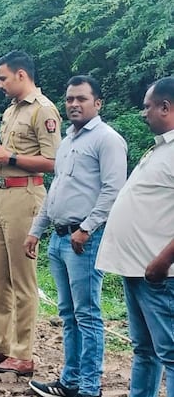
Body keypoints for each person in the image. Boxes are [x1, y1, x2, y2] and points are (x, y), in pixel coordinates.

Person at [23, 75, 127, 397]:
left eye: (81, 99)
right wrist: (36, 230)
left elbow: (113, 190)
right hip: (58, 238)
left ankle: (89, 388)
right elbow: (56, 190)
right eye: (69, 99)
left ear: (97, 103)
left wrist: (86, 229)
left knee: (87, 314)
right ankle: (70, 381)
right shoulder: (67, 141)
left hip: (84, 240)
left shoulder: (107, 140)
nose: (73, 105)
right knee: (67, 314)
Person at [0, 50, 62, 376]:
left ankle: (23, 354)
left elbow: (53, 162)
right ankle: (0, 347)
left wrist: (9, 157)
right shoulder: (10, 111)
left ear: (22, 75)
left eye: (3, 78)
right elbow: (9, 154)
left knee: (23, 280)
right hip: (1, 196)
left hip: (26, 196)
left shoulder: (43, 110)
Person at [95, 76, 174, 397]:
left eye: (148, 106)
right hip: (136, 269)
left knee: (170, 354)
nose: (144, 113)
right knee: (145, 350)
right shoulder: (160, 149)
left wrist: (162, 261)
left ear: (165, 107)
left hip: (159, 273)